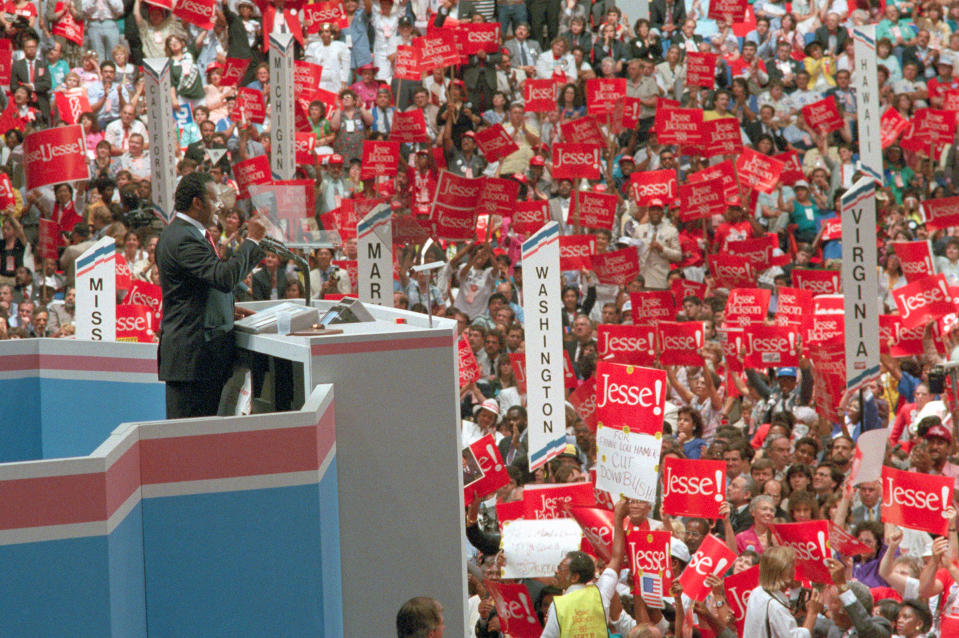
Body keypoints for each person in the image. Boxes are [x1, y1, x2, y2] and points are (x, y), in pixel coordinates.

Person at [155, 172, 265, 419]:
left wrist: (228, 311)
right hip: (192, 361)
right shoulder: (183, 237)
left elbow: (198, 289)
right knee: (190, 443)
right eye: (214, 200)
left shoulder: (188, 233)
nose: (219, 207)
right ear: (197, 202)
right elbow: (223, 278)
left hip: (200, 359)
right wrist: (253, 241)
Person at [540, 498, 628, 637]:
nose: (556, 571)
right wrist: (618, 518)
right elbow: (616, 558)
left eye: (561, 568)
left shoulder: (557, 606)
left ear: (575, 577)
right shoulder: (600, 593)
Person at [743, 546, 822, 636]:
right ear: (784, 573)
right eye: (793, 567)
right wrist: (812, 613)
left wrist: (795, 591)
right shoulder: (775, 607)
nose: (795, 572)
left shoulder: (756, 593)